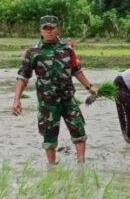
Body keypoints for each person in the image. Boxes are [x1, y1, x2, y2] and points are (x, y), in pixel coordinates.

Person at [12, 15, 98, 165]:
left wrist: (89, 87)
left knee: (79, 130)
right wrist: (17, 99)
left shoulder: (67, 49)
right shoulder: (33, 52)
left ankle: (81, 164)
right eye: (46, 28)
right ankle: (52, 167)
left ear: (58, 29)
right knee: (49, 135)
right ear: (41, 30)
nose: (49, 31)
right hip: (48, 103)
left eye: (52, 28)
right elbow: (23, 76)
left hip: (68, 99)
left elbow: (76, 70)